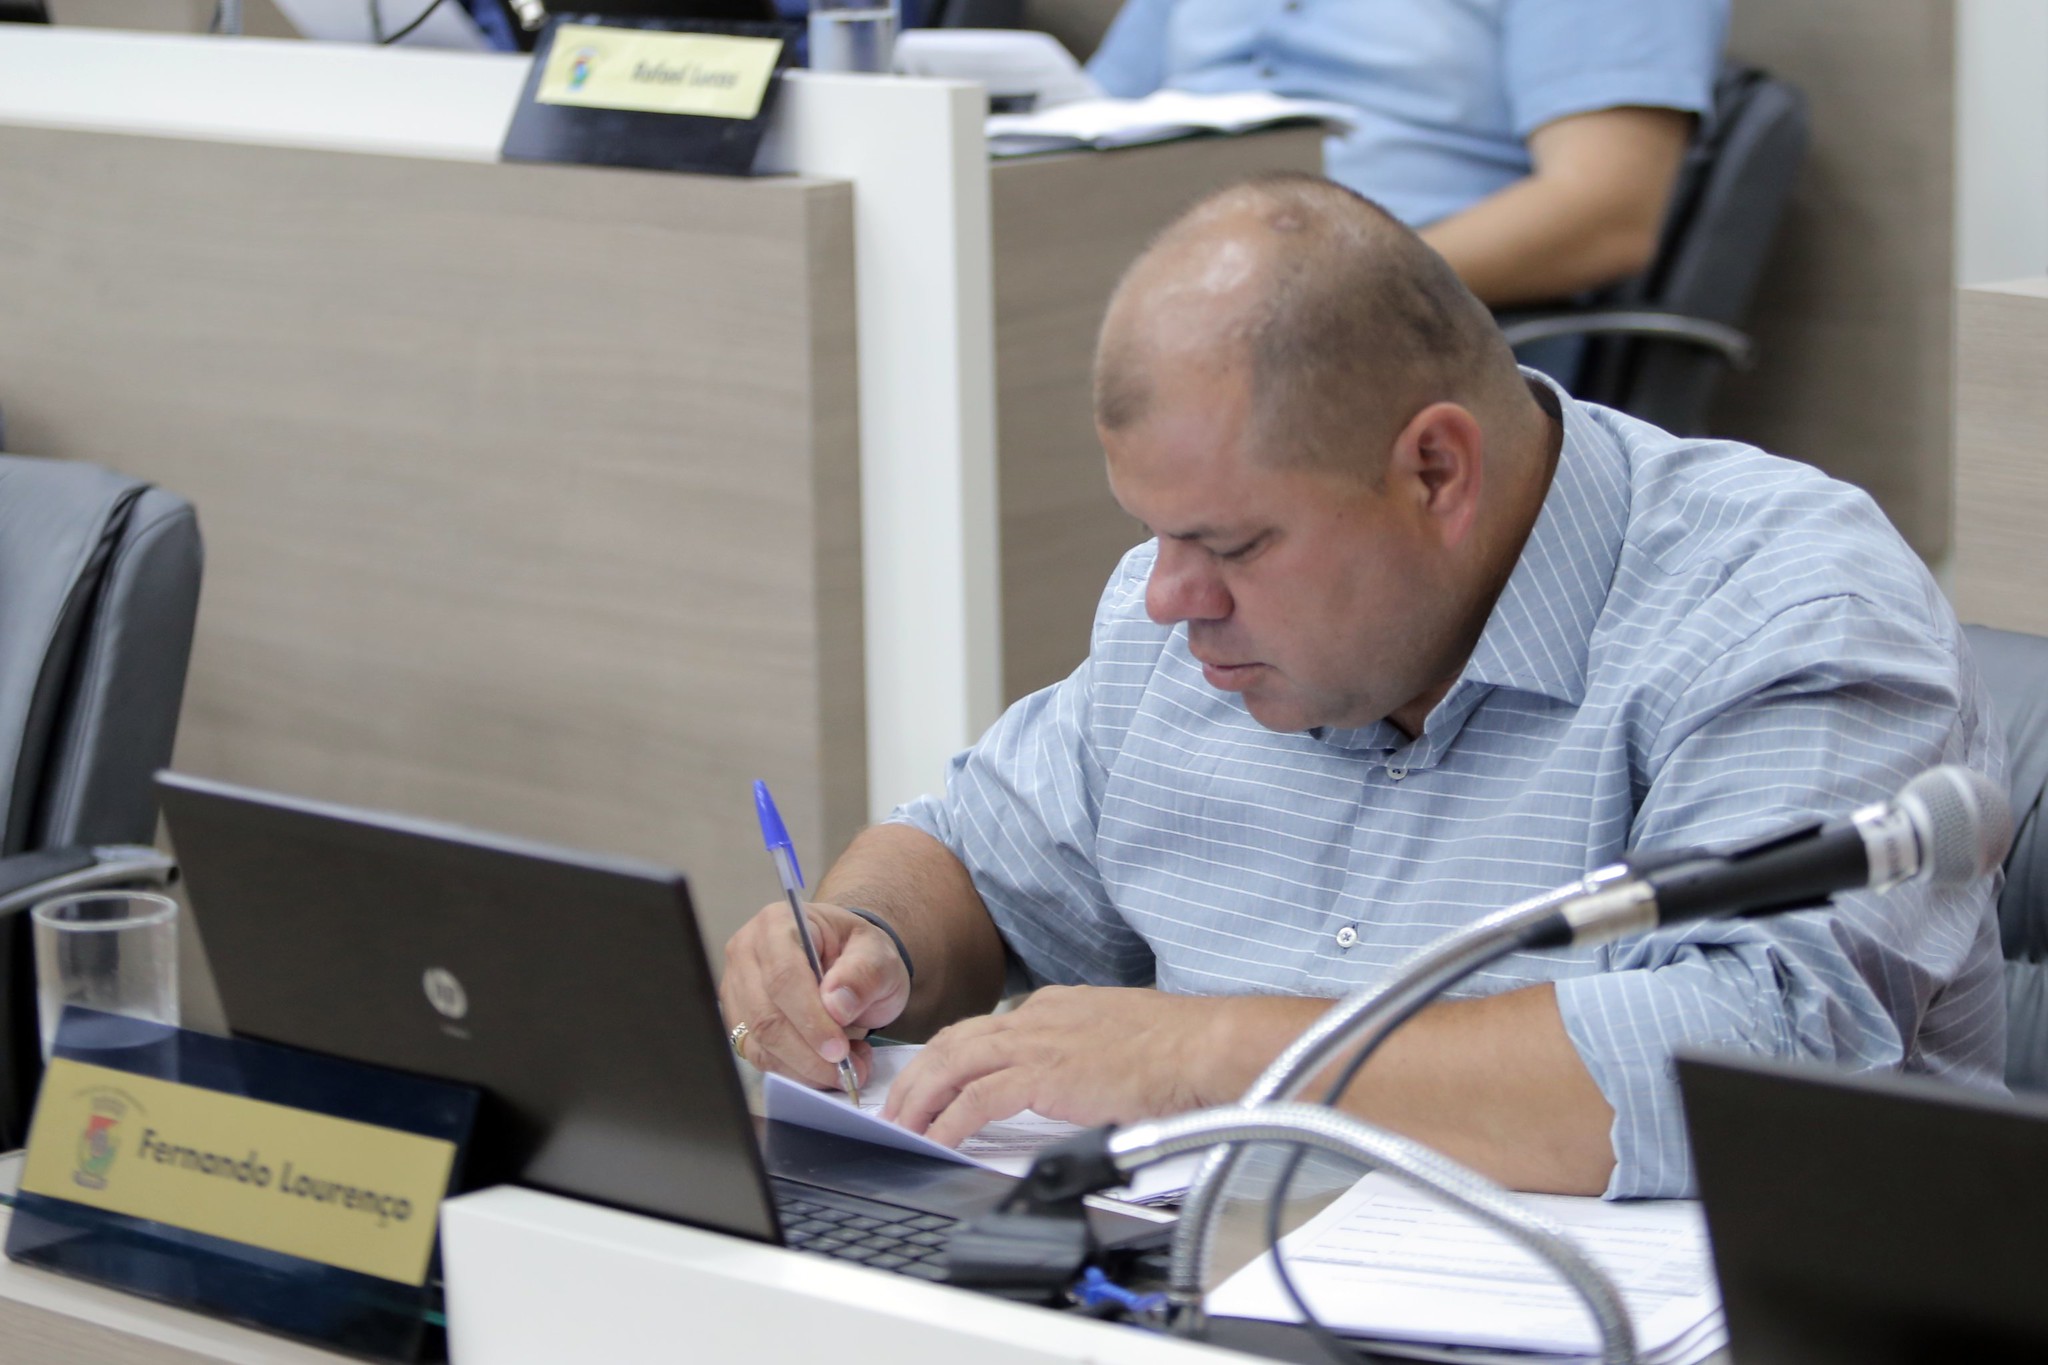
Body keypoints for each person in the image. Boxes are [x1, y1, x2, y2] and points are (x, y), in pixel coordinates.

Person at [719, 173, 2005, 1199]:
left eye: (1231, 544)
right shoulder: (1179, 622)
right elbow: (970, 854)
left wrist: (1203, 1056)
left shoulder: (1786, 603)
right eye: (1156, 534)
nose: (1169, 596)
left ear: (1434, 472)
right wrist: (862, 942)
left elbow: (1755, 1064)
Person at [1085, 0, 1728, 309]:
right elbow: (1082, 121)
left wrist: (1304, 294)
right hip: (1135, 286)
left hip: (1380, 325)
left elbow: (1606, 215)